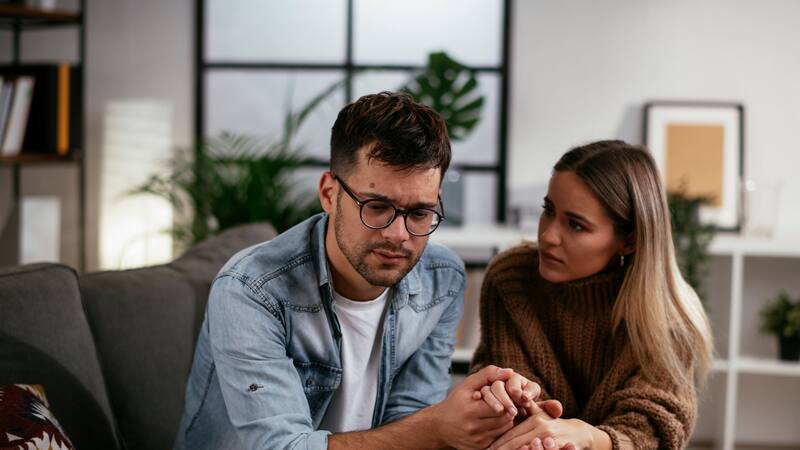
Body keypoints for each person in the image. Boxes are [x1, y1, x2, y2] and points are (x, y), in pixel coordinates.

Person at [174, 91, 558, 450]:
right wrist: (439, 424)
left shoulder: (441, 280)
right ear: (329, 193)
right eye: (376, 206)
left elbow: (409, 420)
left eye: (420, 213)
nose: (398, 235)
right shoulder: (250, 290)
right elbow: (282, 446)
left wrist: (492, 414)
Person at [471, 140, 714, 450]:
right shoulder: (511, 279)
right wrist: (504, 391)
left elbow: (653, 430)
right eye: (548, 210)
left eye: (575, 225)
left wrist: (586, 437)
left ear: (629, 240)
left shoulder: (668, 316)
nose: (547, 236)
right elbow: (519, 409)